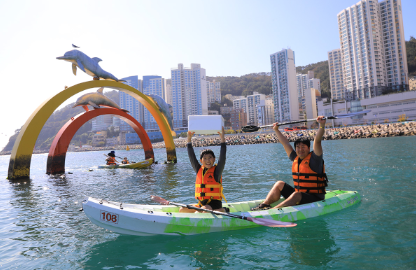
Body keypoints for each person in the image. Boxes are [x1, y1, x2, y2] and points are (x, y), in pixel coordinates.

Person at [252, 116, 328, 210]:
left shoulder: (315, 159)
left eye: (303, 147)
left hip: (315, 198)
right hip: (300, 195)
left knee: (296, 194)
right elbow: (285, 143)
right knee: (279, 184)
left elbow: (317, 141)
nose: (300, 149)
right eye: (298, 147)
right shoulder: (295, 158)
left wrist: (321, 125)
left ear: (309, 148)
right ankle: (265, 204)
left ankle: (273, 210)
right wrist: (276, 130)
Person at [179, 127, 227, 213]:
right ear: (201, 161)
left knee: (203, 211)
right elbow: (191, 157)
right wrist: (189, 139)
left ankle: (223, 210)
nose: (208, 160)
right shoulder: (198, 169)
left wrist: (222, 140)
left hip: (214, 204)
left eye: (210, 158)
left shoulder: (217, 171)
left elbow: (222, 158)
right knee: (182, 210)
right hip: (202, 204)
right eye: (205, 158)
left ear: (214, 159)